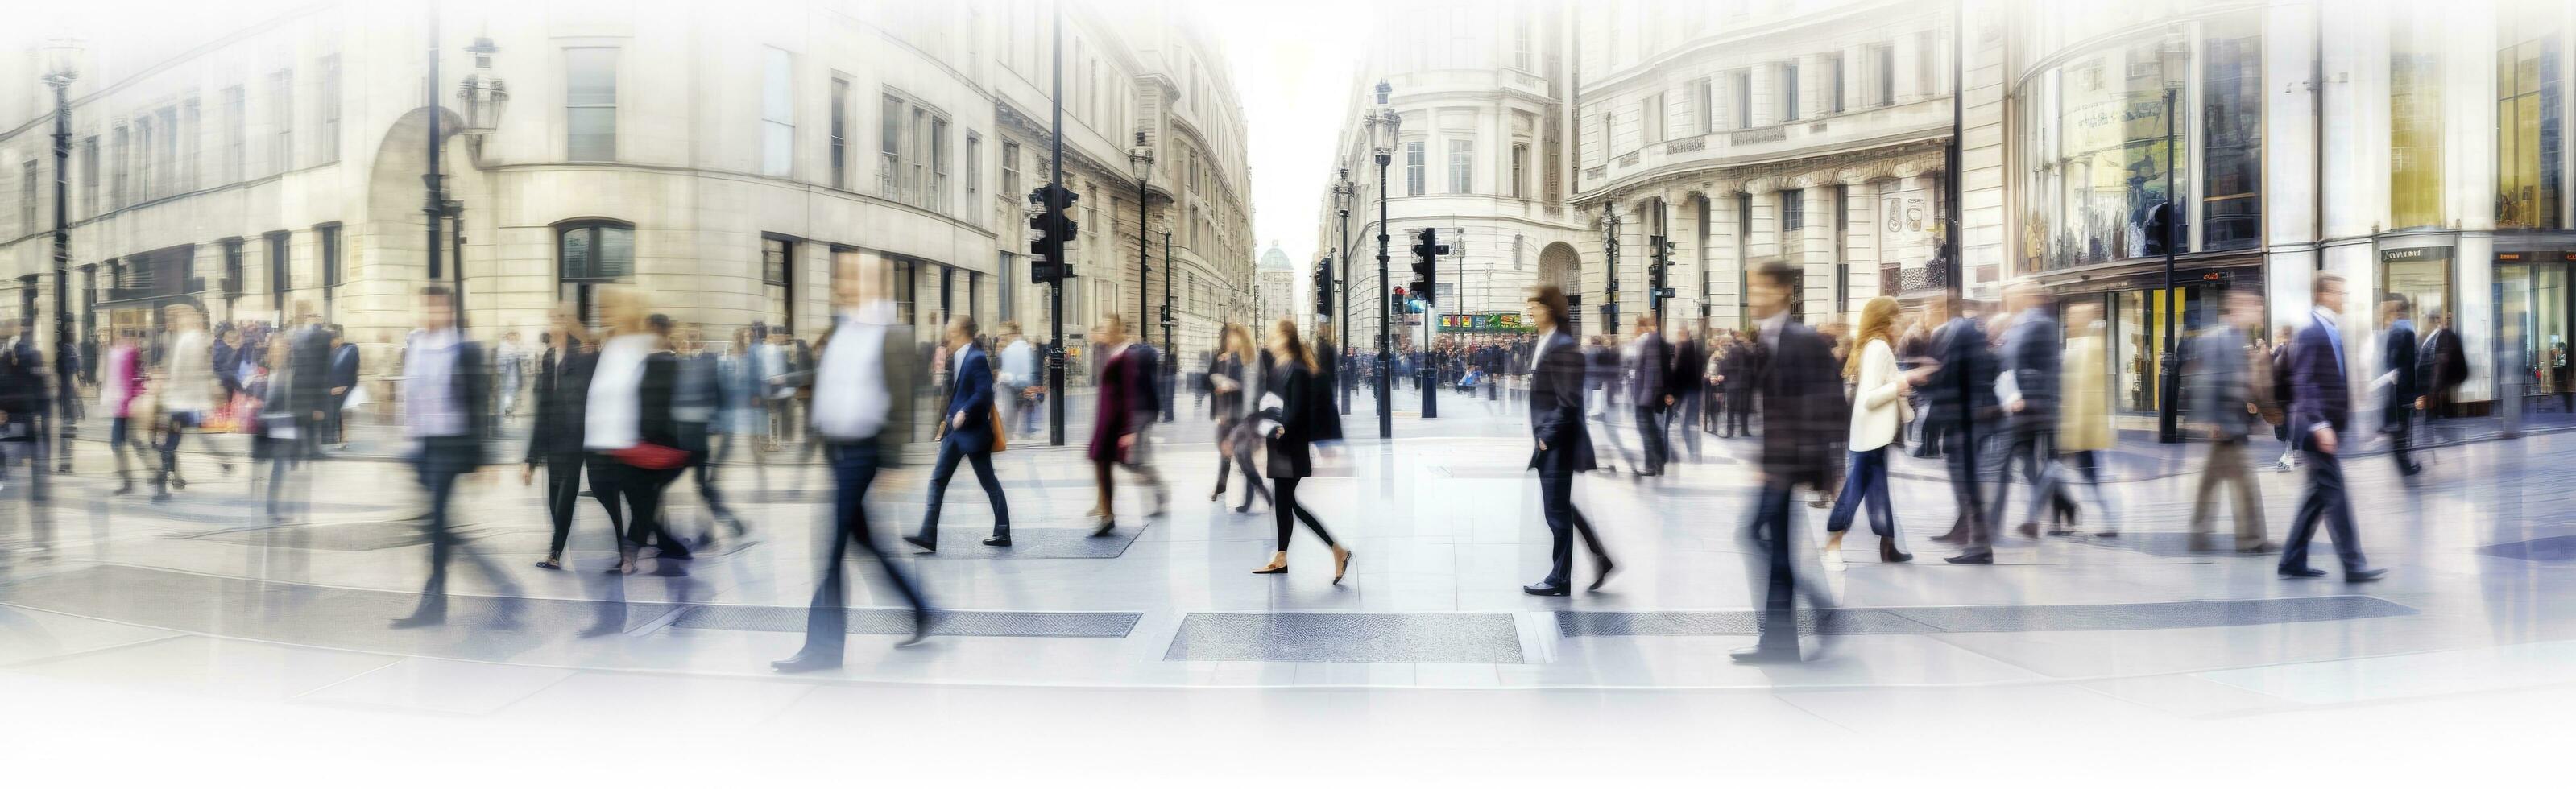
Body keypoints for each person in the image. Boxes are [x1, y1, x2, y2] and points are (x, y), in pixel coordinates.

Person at [772, 253, 929, 671]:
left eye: (850, 276)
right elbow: (828, 383)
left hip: (863, 452)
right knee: (867, 543)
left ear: (873, 282)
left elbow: (900, 401)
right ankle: (921, 608)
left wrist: (895, 463)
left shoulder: (892, 335)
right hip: (836, 450)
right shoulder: (842, 328)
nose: (840, 283)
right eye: (841, 276)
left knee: (831, 550)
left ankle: (823, 649)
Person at [387, 286, 519, 626]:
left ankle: (435, 604)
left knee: (439, 526)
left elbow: (479, 402)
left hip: (451, 444)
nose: (432, 315)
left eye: (439, 308)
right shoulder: (415, 344)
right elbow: (409, 397)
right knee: (440, 527)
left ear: (450, 311)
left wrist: (484, 458)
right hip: (424, 447)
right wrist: (407, 446)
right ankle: (502, 587)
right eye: (427, 307)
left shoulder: (464, 348)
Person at [1733, 261, 1844, 663]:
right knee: (1775, 545)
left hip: (1787, 465)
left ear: (1782, 291)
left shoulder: (1802, 339)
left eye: (1760, 289)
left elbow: (1828, 405)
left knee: (1750, 535)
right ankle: (1780, 642)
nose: (1753, 298)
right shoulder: (1766, 339)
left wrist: (1824, 469)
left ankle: (1819, 608)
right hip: (1775, 463)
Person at [2279, 274, 2387, 583]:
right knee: (2336, 496)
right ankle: (2353, 565)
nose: (2344, 298)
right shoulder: (2312, 332)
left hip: (2326, 426)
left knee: (2316, 497)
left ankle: (2291, 560)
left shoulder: (2330, 329)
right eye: (2340, 292)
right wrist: (2322, 424)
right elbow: (2304, 382)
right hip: (2315, 428)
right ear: (2323, 294)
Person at [585, 291, 692, 576]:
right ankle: (655, 546)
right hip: (613, 443)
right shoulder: (614, 345)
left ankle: (631, 554)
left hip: (636, 443)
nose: (604, 311)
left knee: (641, 500)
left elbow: (653, 400)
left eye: (611, 306)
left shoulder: (644, 348)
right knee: (640, 501)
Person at [1521, 287, 1614, 596]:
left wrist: (1547, 436)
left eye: (1534, 305)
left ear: (1549, 308)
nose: (1530, 311)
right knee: (1562, 508)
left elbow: (1569, 399)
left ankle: (1559, 579)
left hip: (1558, 441)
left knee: (1556, 512)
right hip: (1552, 439)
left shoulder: (1561, 346)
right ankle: (1601, 559)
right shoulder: (1549, 342)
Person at [1249, 319, 1352, 580]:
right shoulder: (1280, 368)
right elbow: (1273, 403)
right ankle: (1282, 556)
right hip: (1280, 444)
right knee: (1284, 502)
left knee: (1289, 502)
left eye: (1274, 335)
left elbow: (1297, 412)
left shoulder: (1297, 370)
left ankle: (1336, 549)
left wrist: (1278, 427)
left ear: (1285, 339)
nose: (1270, 340)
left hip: (1290, 446)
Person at [908, 315, 1013, 551]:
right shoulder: (957, 355)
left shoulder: (976, 357)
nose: (947, 333)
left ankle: (1003, 532)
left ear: (961, 331)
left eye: (951, 329)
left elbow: (984, 393)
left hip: (973, 433)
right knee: (938, 480)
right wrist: (945, 421)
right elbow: (956, 393)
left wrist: (965, 411)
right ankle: (927, 536)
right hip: (955, 433)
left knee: (988, 482)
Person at [1822, 296, 1912, 565]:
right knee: (1858, 486)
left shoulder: (1871, 346)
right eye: (1897, 317)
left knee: (1877, 488)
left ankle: (1888, 545)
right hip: (1871, 430)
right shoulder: (1879, 348)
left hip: (1871, 431)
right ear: (1885, 319)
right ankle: (1834, 542)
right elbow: (1872, 396)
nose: (1900, 322)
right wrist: (1903, 384)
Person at [2185, 290, 2275, 553]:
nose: (2258, 311)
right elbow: (2208, 381)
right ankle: (2251, 540)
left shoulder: (2237, 338)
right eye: (2254, 306)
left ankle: (2202, 534)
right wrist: (2213, 422)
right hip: (2224, 425)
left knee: (2212, 482)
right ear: (2238, 307)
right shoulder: (2218, 338)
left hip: (2232, 423)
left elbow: (2238, 380)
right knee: (2242, 482)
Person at [1988, 283, 2072, 539]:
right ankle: (2060, 506)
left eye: (2015, 293)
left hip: (2033, 409)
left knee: (2006, 465)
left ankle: (1993, 526)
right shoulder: (2018, 323)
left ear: (2027, 296)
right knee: (2028, 467)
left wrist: (2038, 400)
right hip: (2018, 408)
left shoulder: (2041, 324)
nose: (2010, 297)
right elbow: (2007, 360)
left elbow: (2050, 369)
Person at [1920, 294, 2000, 555]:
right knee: (1963, 476)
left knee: (1966, 478)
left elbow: (1950, 375)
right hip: (1965, 416)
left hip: (1965, 417)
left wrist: (1925, 377)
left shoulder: (1957, 331)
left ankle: (1979, 543)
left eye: (1929, 308)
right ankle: (1965, 531)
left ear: (1943, 308)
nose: (1926, 313)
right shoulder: (1959, 331)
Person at [526, 308, 603, 571]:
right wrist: (531, 458)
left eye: (560, 319)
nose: (554, 324)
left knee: (565, 497)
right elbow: (542, 407)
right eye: (552, 319)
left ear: (569, 324)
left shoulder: (583, 355)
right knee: (553, 499)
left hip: (575, 437)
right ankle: (558, 543)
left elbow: (595, 377)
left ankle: (555, 552)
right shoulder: (549, 357)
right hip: (552, 438)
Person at [2040, 301, 2118, 538]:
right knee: (2078, 475)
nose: (2069, 323)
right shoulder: (2082, 346)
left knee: (2082, 475)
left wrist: (2073, 427)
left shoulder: (2089, 347)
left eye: (2073, 318)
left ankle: (2103, 520)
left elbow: (2085, 394)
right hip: (2078, 427)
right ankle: (2068, 516)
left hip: (2080, 428)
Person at [1086, 314, 1167, 534]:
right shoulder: (1110, 352)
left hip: (1120, 418)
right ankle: (1105, 509)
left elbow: (1132, 390)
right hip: (1108, 417)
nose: (1101, 332)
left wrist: (1131, 429)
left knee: (1129, 462)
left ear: (1116, 330)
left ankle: (1110, 511)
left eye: (1105, 328)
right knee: (1102, 461)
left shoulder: (1127, 354)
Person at [671, 324, 741, 538]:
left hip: (704, 434)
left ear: (703, 342)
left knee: (703, 484)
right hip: (682, 434)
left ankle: (711, 528)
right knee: (699, 485)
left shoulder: (712, 362)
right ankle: (725, 523)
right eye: (688, 338)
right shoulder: (678, 364)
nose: (691, 342)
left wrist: (720, 425)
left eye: (695, 338)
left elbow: (723, 395)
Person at [152, 305, 228, 502]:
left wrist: (169, 400)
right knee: (175, 443)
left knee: (168, 445)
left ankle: (162, 485)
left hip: (181, 403)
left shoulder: (188, 340)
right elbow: (203, 371)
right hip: (187, 403)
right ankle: (221, 461)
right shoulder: (191, 340)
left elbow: (180, 374)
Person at [1207, 324, 1269, 513]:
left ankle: (1260, 494)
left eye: (1234, 338)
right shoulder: (1227, 358)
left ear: (1243, 339)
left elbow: (1254, 389)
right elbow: (1211, 379)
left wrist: (1234, 385)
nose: (1230, 341)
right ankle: (1231, 489)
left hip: (1246, 417)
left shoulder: (1252, 359)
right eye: (1229, 338)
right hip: (1231, 417)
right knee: (1233, 456)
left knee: (1244, 458)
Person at [712, 327, 768, 494]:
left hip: (749, 404)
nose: (746, 339)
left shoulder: (753, 357)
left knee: (754, 442)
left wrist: (757, 395)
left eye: (748, 337)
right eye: (743, 337)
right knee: (726, 443)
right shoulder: (729, 356)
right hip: (731, 405)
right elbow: (722, 380)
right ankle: (715, 474)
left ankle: (761, 472)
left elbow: (758, 377)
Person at [101, 328, 151, 494]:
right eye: (122, 336)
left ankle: (155, 473)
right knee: (119, 443)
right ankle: (131, 479)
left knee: (129, 442)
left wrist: (132, 401)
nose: (123, 339)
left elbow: (137, 379)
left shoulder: (132, 353)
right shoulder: (116, 353)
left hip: (129, 406)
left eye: (127, 336)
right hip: (120, 406)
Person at [2376, 295, 2422, 477]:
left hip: (2397, 389)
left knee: (2402, 429)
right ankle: (2405, 466)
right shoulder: (2404, 331)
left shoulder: (2397, 330)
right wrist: (2411, 394)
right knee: (2402, 429)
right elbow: (2408, 365)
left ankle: (2405, 463)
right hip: (2402, 390)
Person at [1626, 314, 1671, 477]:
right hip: (1646, 394)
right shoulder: (1651, 341)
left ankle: (1655, 462)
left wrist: (1647, 395)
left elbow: (1652, 371)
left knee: (1647, 430)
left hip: (1646, 395)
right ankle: (1656, 462)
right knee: (1649, 429)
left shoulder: (1650, 341)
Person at [2415, 310, 2467, 446]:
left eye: (2425, 320)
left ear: (2433, 321)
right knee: (2434, 412)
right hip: (2433, 383)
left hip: (2435, 382)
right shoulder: (2429, 337)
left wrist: (2435, 385)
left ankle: (2438, 437)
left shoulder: (2444, 336)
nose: (2423, 323)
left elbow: (2441, 362)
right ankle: (2433, 437)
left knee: (2436, 411)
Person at [1668, 325, 1706, 462]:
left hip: (1686, 391)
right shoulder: (1698, 348)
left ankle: (1693, 454)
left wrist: (1673, 390)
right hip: (1695, 390)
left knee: (1685, 424)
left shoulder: (1684, 348)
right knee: (1692, 424)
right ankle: (1696, 454)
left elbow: (1679, 371)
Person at [998, 323, 1041, 439]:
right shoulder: (1027, 348)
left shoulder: (1009, 350)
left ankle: (1009, 435)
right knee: (1024, 412)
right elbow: (1032, 369)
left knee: (1010, 413)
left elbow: (1006, 370)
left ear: (1013, 334)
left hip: (1011, 384)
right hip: (1025, 384)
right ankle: (1023, 433)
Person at [2271, 324, 2301, 473]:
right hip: (2284, 395)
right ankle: (2292, 452)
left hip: (2288, 395)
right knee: (2286, 426)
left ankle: (2290, 454)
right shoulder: (2280, 350)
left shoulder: (2290, 350)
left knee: (2289, 425)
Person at [325, 327, 361, 447]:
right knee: (337, 415)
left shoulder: (350, 350)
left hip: (345, 388)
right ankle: (338, 438)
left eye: (332, 340)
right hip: (334, 389)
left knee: (343, 415)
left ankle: (343, 439)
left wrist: (346, 387)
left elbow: (353, 369)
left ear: (338, 339)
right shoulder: (331, 352)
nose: (330, 343)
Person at [495, 330, 528, 420]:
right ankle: (507, 410)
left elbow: (523, 354)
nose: (513, 339)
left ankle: (508, 409)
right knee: (508, 392)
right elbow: (503, 359)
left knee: (511, 391)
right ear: (508, 337)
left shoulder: (514, 345)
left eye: (514, 338)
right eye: (512, 337)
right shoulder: (504, 346)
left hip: (512, 372)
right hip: (507, 372)